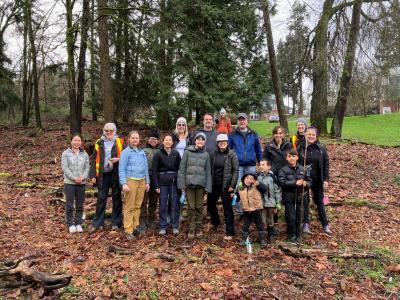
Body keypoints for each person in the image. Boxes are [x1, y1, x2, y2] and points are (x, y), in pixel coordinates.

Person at [89, 123, 124, 232]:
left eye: (111, 130)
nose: (109, 132)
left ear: (115, 131)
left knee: (116, 198)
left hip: (116, 174)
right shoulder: (99, 142)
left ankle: (116, 222)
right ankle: (98, 222)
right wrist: (93, 175)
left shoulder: (120, 142)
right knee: (101, 198)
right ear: (104, 131)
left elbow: (127, 156)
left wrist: (119, 159)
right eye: (106, 130)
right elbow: (94, 159)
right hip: (103, 175)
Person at [178, 132, 212, 238]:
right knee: (191, 207)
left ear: (204, 142)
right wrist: (182, 184)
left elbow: (208, 172)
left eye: (202, 140)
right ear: (195, 141)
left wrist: (207, 187)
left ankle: (199, 227)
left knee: (199, 207)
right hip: (189, 185)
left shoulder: (206, 155)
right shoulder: (187, 152)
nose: (200, 141)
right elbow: (182, 169)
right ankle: (191, 228)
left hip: (201, 185)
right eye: (198, 139)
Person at [298, 126, 331, 235]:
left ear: (316, 136)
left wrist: (326, 179)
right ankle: (306, 224)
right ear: (305, 135)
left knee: (320, 202)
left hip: (318, 180)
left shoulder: (321, 148)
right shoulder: (301, 147)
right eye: (309, 134)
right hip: (305, 180)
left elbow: (326, 164)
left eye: (313, 135)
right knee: (305, 201)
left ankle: (325, 224)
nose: (311, 136)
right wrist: (300, 176)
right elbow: (296, 163)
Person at [228, 113, 263, 215]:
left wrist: (260, 162)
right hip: (238, 165)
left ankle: (252, 209)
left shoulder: (254, 134)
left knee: (251, 186)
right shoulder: (232, 134)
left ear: (247, 121)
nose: (242, 122)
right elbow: (229, 150)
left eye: (244, 120)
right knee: (239, 186)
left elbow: (258, 150)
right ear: (237, 121)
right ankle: (240, 210)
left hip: (251, 165)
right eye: (240, 120)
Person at [119, 131, 150, 240]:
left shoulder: (141, 152)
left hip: (141, 181)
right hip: (131, 181)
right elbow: (121, 169)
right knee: (129, 206)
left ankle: (135, 226)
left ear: (139, 139)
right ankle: (128, 229)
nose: (135, 140)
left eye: (136, 138)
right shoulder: (125, 152)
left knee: (138, 205)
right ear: (129, 139)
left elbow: (146, 168)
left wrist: (147, 182)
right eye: (133, 138)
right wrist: (124, 183)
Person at [208, 134, 239, 239]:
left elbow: (236, 170)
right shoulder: (213, 154)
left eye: (224, 141)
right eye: (220, 142)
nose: (222, 143)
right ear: (217, 143)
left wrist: (232, 185)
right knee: (211, 203)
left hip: (226, 186)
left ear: (227, 142)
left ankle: (230, 232)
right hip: (214, 184)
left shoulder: (232, 154)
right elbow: (210, 170)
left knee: (227, 208)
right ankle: (215, 222)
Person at [278, 149, 311, 242]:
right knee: (291, 217)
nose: (291, 158)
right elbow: (282, 182)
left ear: (297, 157)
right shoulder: (283, 170)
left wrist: (306, 183)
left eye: (293, 156)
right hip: (289, 197)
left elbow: (310, 181)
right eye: (289, 156)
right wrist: (294, 182)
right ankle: (291, 234)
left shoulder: (303, 169)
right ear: (286, 158)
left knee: (299, 216)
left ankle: (298, 234)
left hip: (300, 197)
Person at [152, 134, 182, 235]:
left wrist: (180, 183)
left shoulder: (176, 153)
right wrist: (156, 185)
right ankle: (163, 226)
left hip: (174, 182)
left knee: (175, 204)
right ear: (163, 142)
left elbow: (180, 169)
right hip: (162, 183)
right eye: (166, 140)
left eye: (170, 140)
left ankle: (174, 226)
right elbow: (154, 170)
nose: (168, 142)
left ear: (172, 142)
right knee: (163, 204)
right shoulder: (158, 154)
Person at [61, 135, 90, 233]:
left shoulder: (84, 154)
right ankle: (70, 223)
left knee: (80, 204)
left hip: (82, 183)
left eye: (79, 141)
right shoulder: (65, 153)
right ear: (71, 141)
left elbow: (87, 168)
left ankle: (78, 223)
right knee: (69, 204)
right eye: (75, 140)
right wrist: (74, 178)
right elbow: (65, 168)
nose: (77, 142)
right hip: (70, 183)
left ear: (81, 142)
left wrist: (83, 177)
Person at [237, 172, 268, 247]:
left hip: (256, 209)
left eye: (251, 179)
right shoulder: (241, 188)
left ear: (254, 181)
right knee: (245, 225)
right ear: (243, 179)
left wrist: (259, 184)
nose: (248, 180)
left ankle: (262, 239)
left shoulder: (256, 186)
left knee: (259, 224)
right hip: (246, 210)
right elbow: (237, 198)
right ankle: (244, 239)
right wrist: (234, 196)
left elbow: (265, 189)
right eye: (247, 178)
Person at [139, 128, 161, 232]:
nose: (153, 141)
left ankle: (152, 217)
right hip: (145, 177)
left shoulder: (161, 150)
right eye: (151, 139)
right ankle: (142, 218)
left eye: (155, 139)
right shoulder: (143, 150)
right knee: (144, 199)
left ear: (158, 140)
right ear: (148, 139)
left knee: (154, 199)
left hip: (156, 177)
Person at [257, 159, 282, 241]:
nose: (261, 166)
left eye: (263, 165)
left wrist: (278, 202)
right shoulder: (258, 177)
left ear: (268, 167)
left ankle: (271, 235)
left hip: (271, 202)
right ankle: (263, 237)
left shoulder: (273, 177)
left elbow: (277, 190)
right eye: (260, 165)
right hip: (261, 202)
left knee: (270, 219)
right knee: (262, 220)